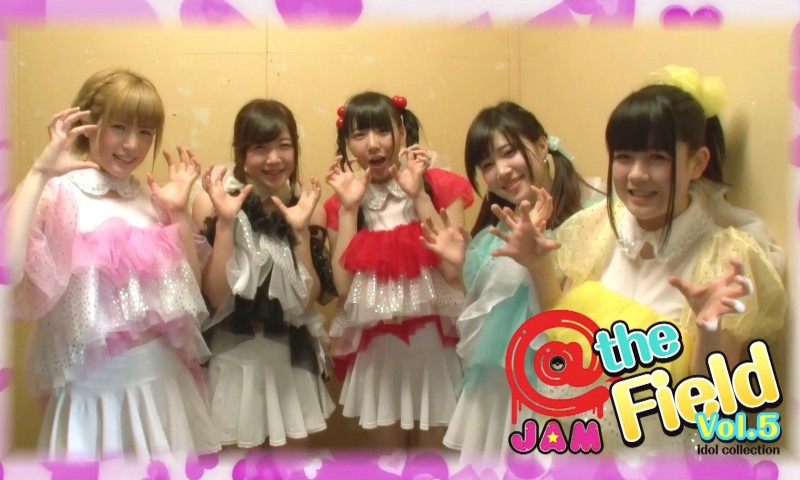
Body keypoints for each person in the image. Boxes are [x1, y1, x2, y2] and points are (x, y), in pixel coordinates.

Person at [7, 68, 220, 459]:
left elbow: (190, 291)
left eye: (145, 132)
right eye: (119, 127)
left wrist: (178, 214)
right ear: (87, 124)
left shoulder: (151, 197)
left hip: (162, 384)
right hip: (92, 393)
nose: (132, 144)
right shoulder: (58, 192)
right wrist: (38, 174)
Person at [421, 101, 600, 462]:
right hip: (497, 383)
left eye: (509, 152)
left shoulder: (591, 219)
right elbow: (484, 314)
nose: (501, 171)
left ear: (542, 144)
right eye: (487, 164)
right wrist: (463, 261)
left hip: (554, 383)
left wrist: (537, 260)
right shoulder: (494, 230)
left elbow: (575, 321)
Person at [323, 91, 473, 448]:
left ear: (402, 133)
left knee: (433, 464)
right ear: (347, 145)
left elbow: (453, 273)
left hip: (435, 349)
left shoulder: (441, 186)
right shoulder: (342, 201)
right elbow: (343, 288)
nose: (372, 144)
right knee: (387, 464)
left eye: (382, 131)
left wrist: (419, 195)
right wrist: (348, 209)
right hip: (379, 354)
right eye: (359, 135)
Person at [191, 99, 336, 448]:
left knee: (292, 467)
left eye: (284, 146)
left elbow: (306, 302)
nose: (274, 159)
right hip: (230, 360)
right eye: (260, 148)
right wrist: (226, 223)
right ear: (241, 151)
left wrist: (300, 231)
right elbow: (216, 297)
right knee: (234, 467)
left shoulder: (308, 208)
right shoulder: (211, 202)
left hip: (289, 360)